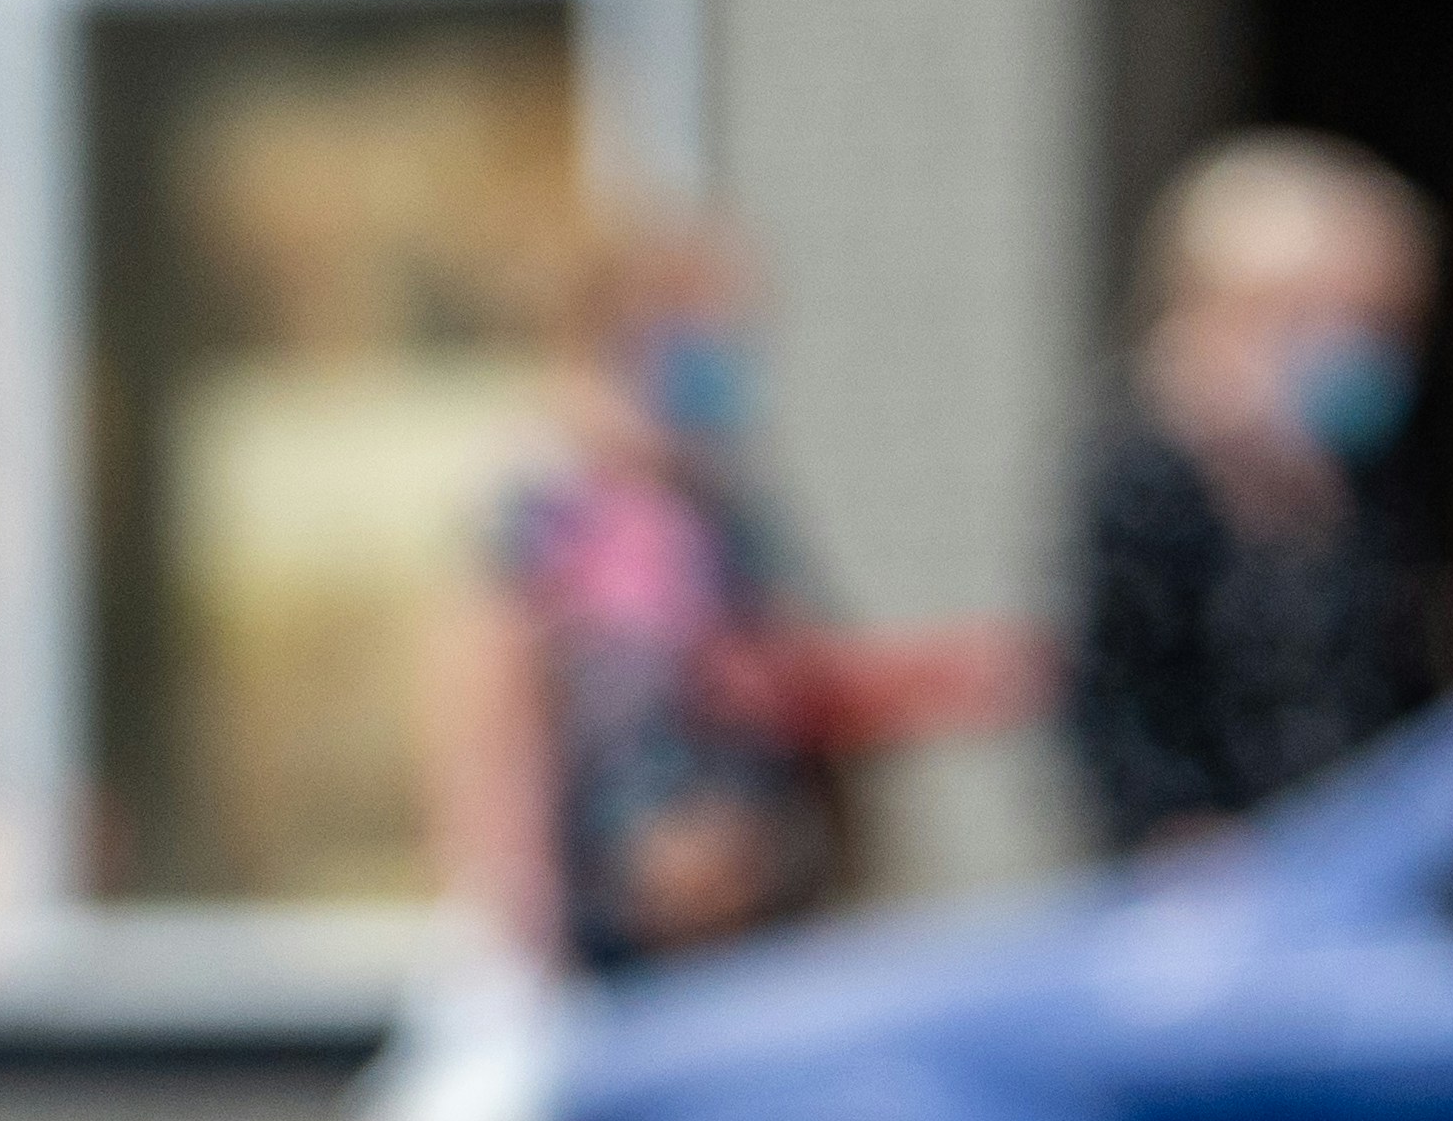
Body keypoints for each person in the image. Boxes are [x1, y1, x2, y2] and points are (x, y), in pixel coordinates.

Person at [434, 223, 1026, 975]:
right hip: (621, 950)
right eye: (703, 338)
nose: (725, 367)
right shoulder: (547, 510)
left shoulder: (714, 507)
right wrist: (520, 932)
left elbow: (784, 676)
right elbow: (493, 734)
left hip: (745, 925)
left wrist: (923, 681)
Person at [1064, 134, 1449, 856]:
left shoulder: (1366, 476)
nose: (1353, 350)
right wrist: (1169, 827)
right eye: (1314, 317)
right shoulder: (1148, 476)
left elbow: (1392, 673)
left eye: (1380, 322)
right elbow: (1112, 690)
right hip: (1212, 869)